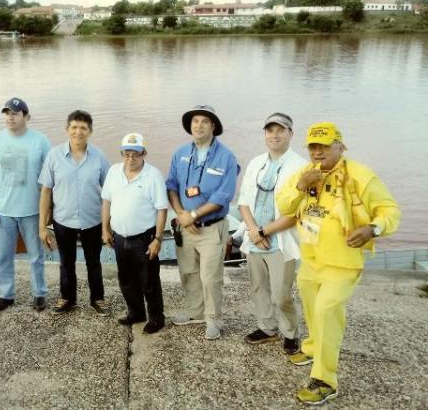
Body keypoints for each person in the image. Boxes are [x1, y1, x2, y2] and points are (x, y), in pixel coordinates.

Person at [276, 122, 400, 405]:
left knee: (326, 310)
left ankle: (325, 379)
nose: (318, 152)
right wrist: (300, 186)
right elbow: (284, 206)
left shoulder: (360, 176)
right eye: (313, 147)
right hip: (311, 260)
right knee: (309, 305)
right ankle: (311, 347)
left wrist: (373, 228)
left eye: (325, 146)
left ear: (340, 147)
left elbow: (390, 211)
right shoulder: (305, 174)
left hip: (342, 264)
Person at [166, 104, 239, 340]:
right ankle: (195, 312)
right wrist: (180, 213)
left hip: (211, 227)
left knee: (210, 277)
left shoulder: (226, 156)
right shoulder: (180, 154)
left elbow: (223, 196)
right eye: (195, 121)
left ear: (213, 126)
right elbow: (172, 186)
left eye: (204, 121)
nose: (198, 125)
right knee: (188, 272)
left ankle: (213, 319)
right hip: (185, 226)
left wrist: (194, 215)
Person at [237, 113, 306, 354]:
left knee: (281, 293)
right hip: (254, 237)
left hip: (281, 241)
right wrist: (254, 231)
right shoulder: (256, 162)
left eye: (281, 130)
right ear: (265, 134)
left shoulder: (301, 166)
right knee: (259, 287)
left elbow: (297, 212)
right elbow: (243, 201)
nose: (274, 135)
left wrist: (264, 231)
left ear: (290, 134)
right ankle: (266, 327)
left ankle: (290, 332)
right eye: (270, 130)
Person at [38, 110, 110, 315]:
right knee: (66, 263)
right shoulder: (54, 156)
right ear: (67, 129)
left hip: (93, 219)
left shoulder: (100, 157)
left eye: (83, 128)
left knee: (94, 262)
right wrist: (42, 226)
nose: (78, 132)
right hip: (63, 220)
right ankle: (68, 298)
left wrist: (108, 224)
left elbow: (109, 192)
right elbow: (46, 191)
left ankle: (98, 299)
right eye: (74, 127)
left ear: (90, 131)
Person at [0, 97, 51, 312]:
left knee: (35, 256)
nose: (10, 117)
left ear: (26, 116)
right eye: (6, 113)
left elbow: (50, 178)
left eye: (15, 113)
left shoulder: (40, 141)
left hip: (32, 210)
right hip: (4, 210)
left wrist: (49, 209)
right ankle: (6, 295)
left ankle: (39, 293)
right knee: (3, 256)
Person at [101, 133, 168, 334]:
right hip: (119, 237)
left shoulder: (153, 175)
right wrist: (105, 229)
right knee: (126, 280)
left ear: (144, 153)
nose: (130, 159)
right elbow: (106, 201)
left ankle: (157, 318)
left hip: (144, 239)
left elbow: (161, 209)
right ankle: (136, 313)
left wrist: (158, 238)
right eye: (126, 154)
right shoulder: (113, 171)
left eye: (135, 154)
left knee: (149, 281)